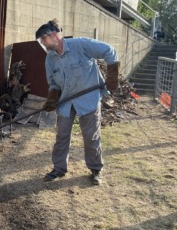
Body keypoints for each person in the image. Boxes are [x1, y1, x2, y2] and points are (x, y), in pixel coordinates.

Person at [35, 19, 119, 185]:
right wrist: (52, 99)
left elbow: (109, 51)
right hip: (66, 101)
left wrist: (112, 77)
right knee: (62, 136)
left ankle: (96, 169)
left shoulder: (80, 45)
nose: (42, 44)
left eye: (42, 40)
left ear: (52, 36)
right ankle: (59, 169)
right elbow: (53, 82)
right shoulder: (50, 59)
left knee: (91, 136)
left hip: (88, 98)